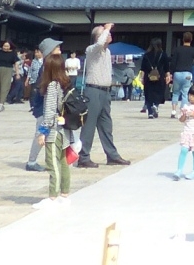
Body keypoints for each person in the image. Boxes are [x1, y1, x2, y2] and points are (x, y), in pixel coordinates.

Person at [78, 24, 128, 167]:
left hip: (105, 91)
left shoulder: (107, 52)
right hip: (93, 90)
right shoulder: (92, 50)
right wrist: (106, 28)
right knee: (89, 125)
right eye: (105, 34)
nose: (109, 35)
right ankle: (83, 156)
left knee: (106, 125)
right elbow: (99, 43)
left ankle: (112, 155)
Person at [34, 45, 73, 207]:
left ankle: (52, 197)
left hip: (54, 131)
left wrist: (42, 132)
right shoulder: (66, 83)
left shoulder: (52, 86)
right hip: (65, 129)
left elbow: (49, 113)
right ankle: (64, 195)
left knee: (52, 163)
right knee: (64, 162)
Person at [25, 40, 60, 172]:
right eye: (57, 48)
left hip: (48, 106)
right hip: (44, 107)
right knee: (41, 133)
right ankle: (31, 162)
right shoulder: (47, 66)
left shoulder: (50, 65)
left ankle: (50, 161)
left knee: (48, 134)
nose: (60, 51)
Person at [169, 33, 194, 108]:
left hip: (177, 73)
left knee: (175, 92)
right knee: (185, 93)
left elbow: (173, 62)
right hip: (187, 73)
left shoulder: (177, 49)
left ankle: (173, 111)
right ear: (191, 40)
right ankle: (183, 111)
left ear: (183, 39)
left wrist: (170, 73)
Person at [141, 41, 170, 119]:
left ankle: (150, 113)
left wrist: (142, 78)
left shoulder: (146, 55)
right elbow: (167, 67)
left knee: (148, 94)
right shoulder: (163, 54)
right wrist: (168, 76)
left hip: (148, 77)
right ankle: (155, 105)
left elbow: (143, 68)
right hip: (160, 77)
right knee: (159, 93)